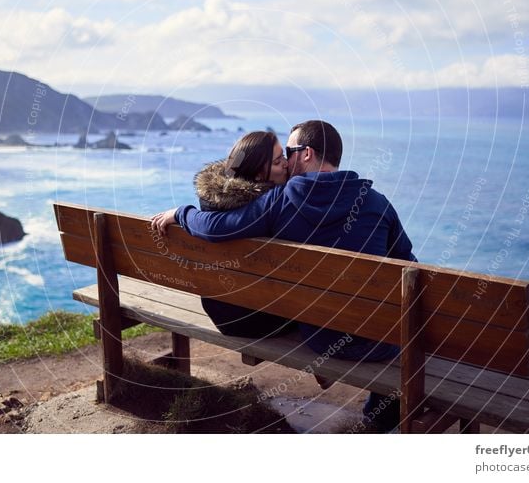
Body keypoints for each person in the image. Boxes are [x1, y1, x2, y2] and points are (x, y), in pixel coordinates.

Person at [152, 120, 415, 432]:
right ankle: (379, 421)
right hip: (379, 342)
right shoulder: (377, 203)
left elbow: (216, 227)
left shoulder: (281, 201)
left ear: (306, 154)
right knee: (406, 330)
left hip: (320, 338)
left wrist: (181, 214)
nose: (286, 162)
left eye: (289, 152)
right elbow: (408, 264)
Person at [193, 130, 296, 338]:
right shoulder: (273, 206)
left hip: (222, 313)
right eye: (277, 162)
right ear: (258, 175)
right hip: (264, 318)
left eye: (283, 156)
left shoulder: (210, 205)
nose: (286, 164)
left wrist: (181, 214)